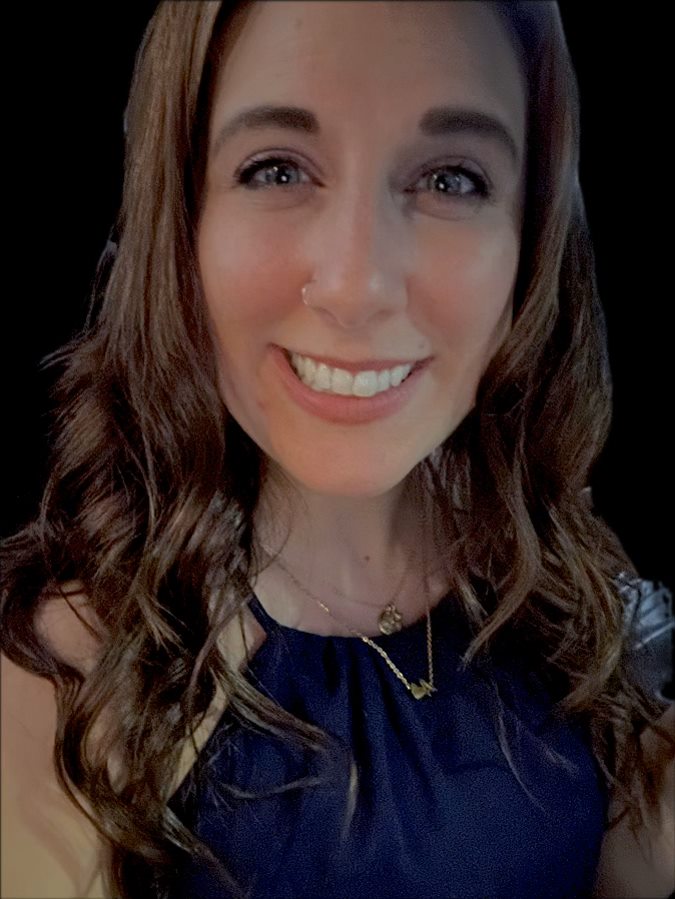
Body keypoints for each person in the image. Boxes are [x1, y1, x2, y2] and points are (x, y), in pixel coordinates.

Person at [1, 2, 673, 898]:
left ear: (531, 240)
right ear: (182, 220)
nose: (357, 285)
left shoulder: (561, 590)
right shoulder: (69, 673)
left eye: (451, 179)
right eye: (276, 168)